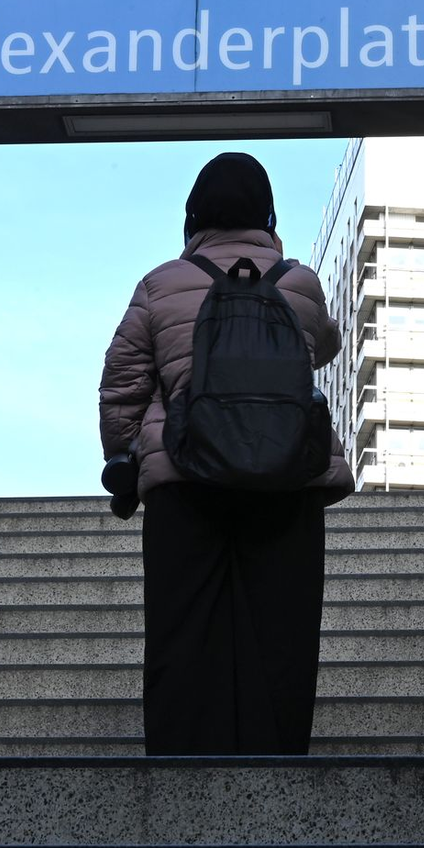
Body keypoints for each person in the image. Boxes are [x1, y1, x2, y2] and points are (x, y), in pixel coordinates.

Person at [99, 152, 355, 755]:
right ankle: (274, 760)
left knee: (182, 626)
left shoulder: (160, 284)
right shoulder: (300, 283)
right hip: (287, 474)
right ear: (267, 214)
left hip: (186, 474)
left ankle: (181, 765)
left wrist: (126, 459)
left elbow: (123, 383)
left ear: (192, 218)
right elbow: (325, 347)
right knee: (281, 627)